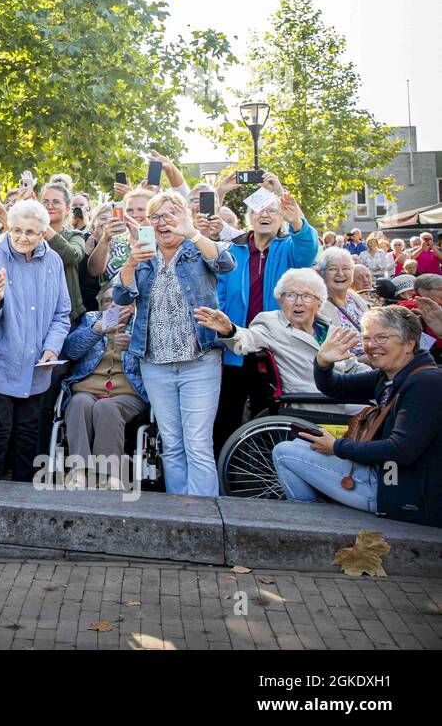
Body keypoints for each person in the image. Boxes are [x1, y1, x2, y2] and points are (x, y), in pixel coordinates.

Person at [272, 307, 442, 526]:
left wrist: (337, 447)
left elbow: (401, 450)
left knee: (284, 453)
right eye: (366, 338)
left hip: (404, 495)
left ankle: (309, 525)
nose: (371, 346)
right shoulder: (393, 374)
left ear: (410, 343)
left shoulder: (426, 383)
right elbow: (336, 387)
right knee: (299, 445)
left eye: (382, 337)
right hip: (385, 478)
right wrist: (323, 363)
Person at [113, 192, 235, 496]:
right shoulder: (144, 257)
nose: (163, 222)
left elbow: (226, 262)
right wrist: (130, 262)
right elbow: (121, 297)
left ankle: (205, 517)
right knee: (172, 443)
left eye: (171, 215)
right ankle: (180, 515)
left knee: (197, 444)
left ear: (183, 218)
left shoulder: (196, 249)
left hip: (199, 361)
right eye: (156, 217)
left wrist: (192, 231)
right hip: (155, 363)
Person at [0, 199, 71, 481]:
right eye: (18, 231)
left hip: (37, 365)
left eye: (31, 233)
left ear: (43, 233)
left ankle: (23, 501)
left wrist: (52, 348)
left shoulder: (53, 260)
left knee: (28, 437)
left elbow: (63, 313)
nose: (23, 238)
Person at [212, 174, 315, 448]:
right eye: (259, 210)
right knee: (227, 415)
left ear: (281, 218)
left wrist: (284, 198)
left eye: (272, 210)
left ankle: (270, 473)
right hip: (235, 345)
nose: (265, 215)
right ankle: (226, 476)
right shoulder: (233, 251)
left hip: (274, 348)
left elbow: (308, 247)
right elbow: (218, 292)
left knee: (270, 414)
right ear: (249, 217)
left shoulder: (287, 250)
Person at [193, 267, 369, 413]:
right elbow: (248, 339)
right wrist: (230, 330)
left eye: (307, 296)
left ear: (319, 302)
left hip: (340, 396)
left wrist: (382, 379)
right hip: (312, 402)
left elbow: (352, 366)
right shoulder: (270, 323)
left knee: (387, 402)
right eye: (291, 295)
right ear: (280, 300)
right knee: (378, 414)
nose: (298, 302)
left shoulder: (328, 328)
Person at [60, 286, 146, 487]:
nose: (114, 304)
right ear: (100, 304)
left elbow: (155, 355)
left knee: (106, 407)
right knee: (78, 402)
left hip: (128, 393)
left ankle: (111, 475)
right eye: (107, 300)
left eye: (120, 300)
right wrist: (97, 330)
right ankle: (79, 471)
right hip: (88, 389)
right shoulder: (91, 319)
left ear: (133, 305)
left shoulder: (141, 324)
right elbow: (70, 351)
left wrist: (135, 346)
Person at [39, 181, 86, 322]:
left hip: (66, 315)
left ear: (67, 207)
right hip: (36, 310)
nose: (49, 206)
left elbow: (72, 256)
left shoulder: (75, 235)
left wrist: (44, 227)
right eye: (45, 202)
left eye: (56, 202)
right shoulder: (29, 236)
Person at [317, 247, 371, 357]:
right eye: (332, 269)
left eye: (346, 268)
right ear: (321, 274)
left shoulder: (356, 297)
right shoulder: (317, 306)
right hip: (349, 367)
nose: (340, 274)